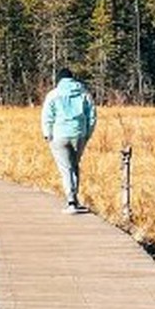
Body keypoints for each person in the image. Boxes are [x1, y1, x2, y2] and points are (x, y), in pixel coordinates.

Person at [41, 68, 97, 213]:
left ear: (59, 80)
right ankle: (75, 199)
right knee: (75, 166)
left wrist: (47, 134)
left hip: (59, 135)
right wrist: (87, 134)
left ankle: (71, 201)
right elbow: (92, 116)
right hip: (79, 134)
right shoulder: (84, 94)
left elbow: (47, 116)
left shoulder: (53, 95)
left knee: (66, 169)